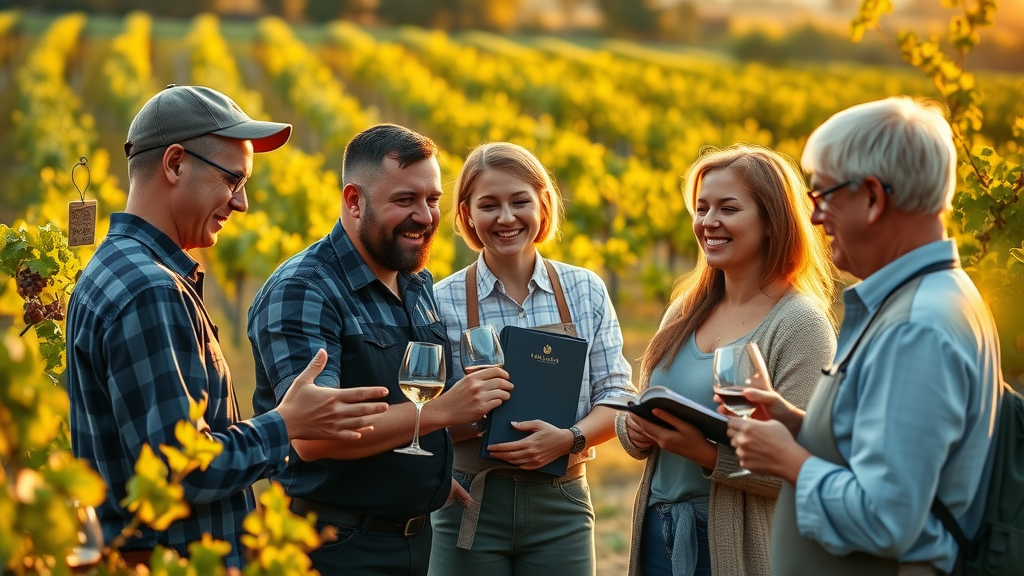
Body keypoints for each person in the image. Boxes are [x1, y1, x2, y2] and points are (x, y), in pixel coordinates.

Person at [66, 85, 391, 568]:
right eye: (232, 180)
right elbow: (183, 470)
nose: (241, 203)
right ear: (175, 164)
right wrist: (286, 423)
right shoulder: (151, 290)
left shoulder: (112, 268)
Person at [727, 97, 1003, 576]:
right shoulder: (927, 299)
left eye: (823, 196)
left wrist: (790, 461)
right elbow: (894, 456)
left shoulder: (916, 328)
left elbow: (886, 517)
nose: (815, 217)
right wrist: (799, 427)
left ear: (873, 197)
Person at [247, 123, 514, 576]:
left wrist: (424, 479)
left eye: (432, 200)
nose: (425, 216)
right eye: (405, 200)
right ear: (354, 201)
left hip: (410, 540)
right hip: (331, 547)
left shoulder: (415, 281)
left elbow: (403, 398)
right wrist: (443, 410)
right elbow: (313, 436)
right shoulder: (305, 290)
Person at [615, 144, 839, 576]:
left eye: (728, 208)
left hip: (731, 544)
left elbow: (800, 466)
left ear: (772, 221)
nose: (708, 221)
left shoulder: (801, 324)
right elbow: (644, 404)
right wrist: (635, 429)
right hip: (657, 532)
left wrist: (705, 453)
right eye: (702, 208)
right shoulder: (684, 310)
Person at [428, 141, 637, 576]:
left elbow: (617, 394)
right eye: (489, 205)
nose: (506, 217)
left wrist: (569, 439)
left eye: (520, 201)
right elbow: (421, 411)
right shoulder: (440, 300)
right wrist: (470, 415)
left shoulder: (585, 290)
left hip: (561, 503)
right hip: (468, 500)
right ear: (467, 214)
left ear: (543, 204)